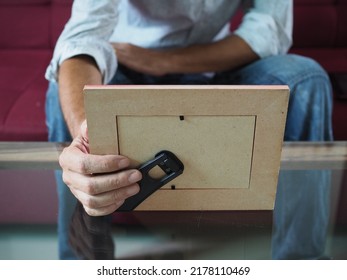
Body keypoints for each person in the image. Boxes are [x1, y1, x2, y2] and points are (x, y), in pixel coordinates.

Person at [45, 0, 333, 259]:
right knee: (64, 91)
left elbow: (271, 28)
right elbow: (82, 36)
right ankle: (80, 262)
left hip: (214, 62)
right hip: (124, 65)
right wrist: (86, 132)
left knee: (307, 80)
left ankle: (300, 262)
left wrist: (164, 61)